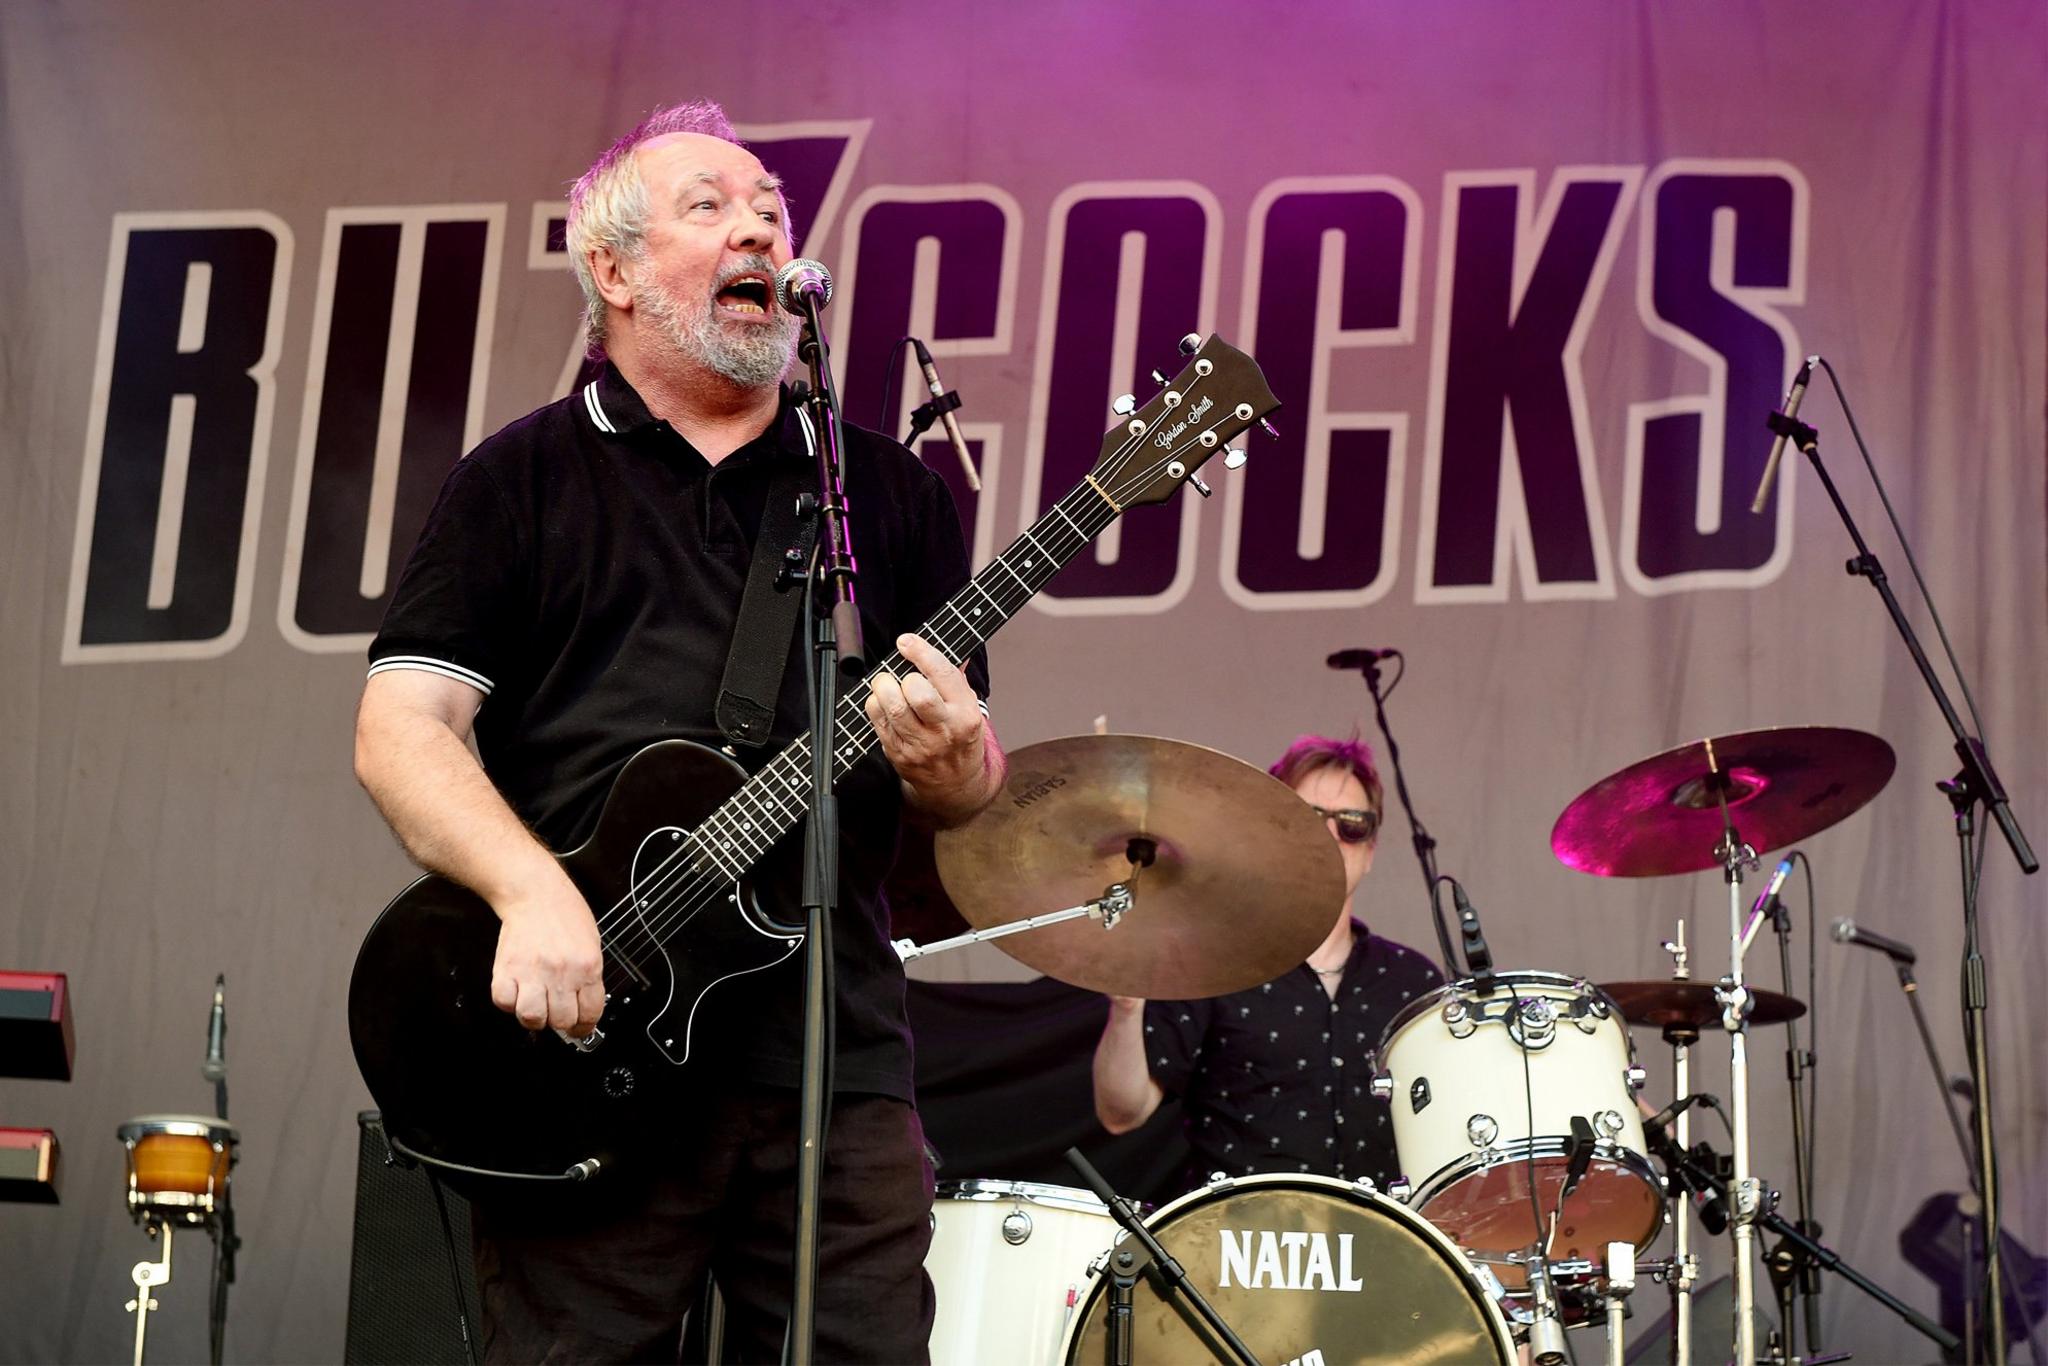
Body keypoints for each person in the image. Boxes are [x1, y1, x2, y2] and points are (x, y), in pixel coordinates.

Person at [352, 101, 1004, 1364]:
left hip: (834, 1055)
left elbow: (969, 780)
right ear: (613, 270)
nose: (757, 222)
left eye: (769, 206)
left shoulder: (886, 494)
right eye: (710, 206)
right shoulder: (523, 477)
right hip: (587, 1044)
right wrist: (531, 892)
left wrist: (952, 764)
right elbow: (402, 726)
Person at [1091, 734, 1444, 1193]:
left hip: (1382, 1247)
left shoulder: (1412, 981)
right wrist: (1126, 1008)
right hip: (1241, 1248)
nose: (1332, 836)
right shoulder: (1215, 960)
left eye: (1353, 823)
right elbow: (1122, 1112)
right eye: (1310, 818)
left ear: (1371, 850)